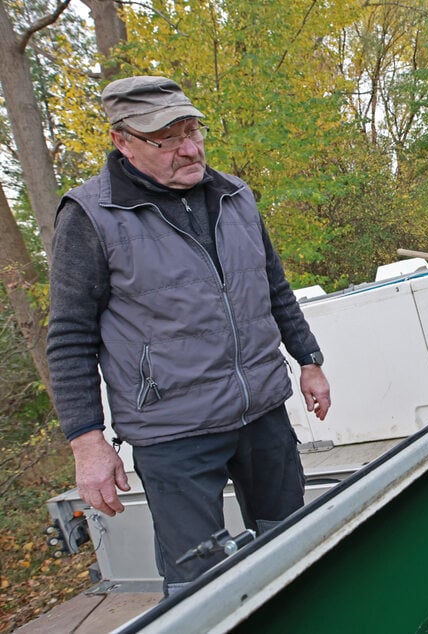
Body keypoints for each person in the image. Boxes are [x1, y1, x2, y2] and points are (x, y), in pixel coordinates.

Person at [46, 76, 331, 596]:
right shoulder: (90, 216)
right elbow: (69, 337)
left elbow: (273, 286)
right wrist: (87, 443)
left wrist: (308, 359)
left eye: (192, 131)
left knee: (292, 546)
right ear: (122, 141)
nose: (190, 149)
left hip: (263, 411)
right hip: (173, 431)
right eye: (167, 139)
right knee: (197, 583)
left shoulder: (236, 195)